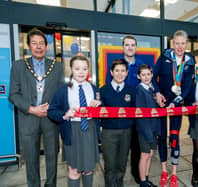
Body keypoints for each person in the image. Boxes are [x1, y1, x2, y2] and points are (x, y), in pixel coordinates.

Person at [9, 28, 64, 187]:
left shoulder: (57, 66)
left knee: (52, 157)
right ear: (28, 46)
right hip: (28, 119)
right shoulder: (19, 66)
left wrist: (52, 108)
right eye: (34, 43)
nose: (38, 46)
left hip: (50, 119)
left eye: (41, 43)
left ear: (46, 47)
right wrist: (32, 109)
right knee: (31, 160)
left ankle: (51, 184)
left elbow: (61, 92)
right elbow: (13, 94)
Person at [47, 55, 100, 187]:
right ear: (71, 69)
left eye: (84, 69)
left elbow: (102, 110)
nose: (81, 72)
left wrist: (99, 105)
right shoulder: (63, 90)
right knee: (74, 170)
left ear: (88, 70)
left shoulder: (94, 89)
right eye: (77, 69)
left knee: (88, 169)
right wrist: (65, 115)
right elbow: (51, 111)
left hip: (89, 130)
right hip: (72, 132)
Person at [153, 30, 195, 187]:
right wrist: (157, 94)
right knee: (162, 137)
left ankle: (175, 173)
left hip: (177, 103)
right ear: (172, 43)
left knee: (175, 137)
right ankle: (164, 171)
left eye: (182, 43)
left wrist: (178, 100)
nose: (179, 46)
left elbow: (189, 86)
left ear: (186, 44)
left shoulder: (190, 60)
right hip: (162, 103)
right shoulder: (164, 57)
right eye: (177, 43)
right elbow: (153, 77)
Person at [106, 35, 144, 183]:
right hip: (117, 117)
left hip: (135, 113)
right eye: (127, 45)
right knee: (115, 155)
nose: (130, 47)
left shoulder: (140, 65)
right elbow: (107, 89)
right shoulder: (116, 64)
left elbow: (149, 82)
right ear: (123, 47)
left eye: (132, 45)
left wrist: (157, 93)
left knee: (136, 147)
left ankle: (136, 174)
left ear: (136, 47)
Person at [100, 59, 136, 187]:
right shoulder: (103, 90)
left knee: (122, 164)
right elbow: (99, 111)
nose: (120, 74)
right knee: (110, 166)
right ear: (111, 72)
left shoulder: (132, 91)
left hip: (126, 132)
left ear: (127, 73)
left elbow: (137, 111)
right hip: (109, 133)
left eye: (122, 71)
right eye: (117, 71)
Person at [136, 64, 160, 187]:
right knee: (145, 154)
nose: (146, 77)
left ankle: (146, 177)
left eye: (148, 74)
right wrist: (148, 133)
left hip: (153, 127)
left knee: (150, 154)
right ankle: (143, 182)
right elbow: (141, 114)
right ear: (138, 76)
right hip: (145, 129)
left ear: (152, 75)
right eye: (143, 75)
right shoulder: (139, 90)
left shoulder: (152, 88)